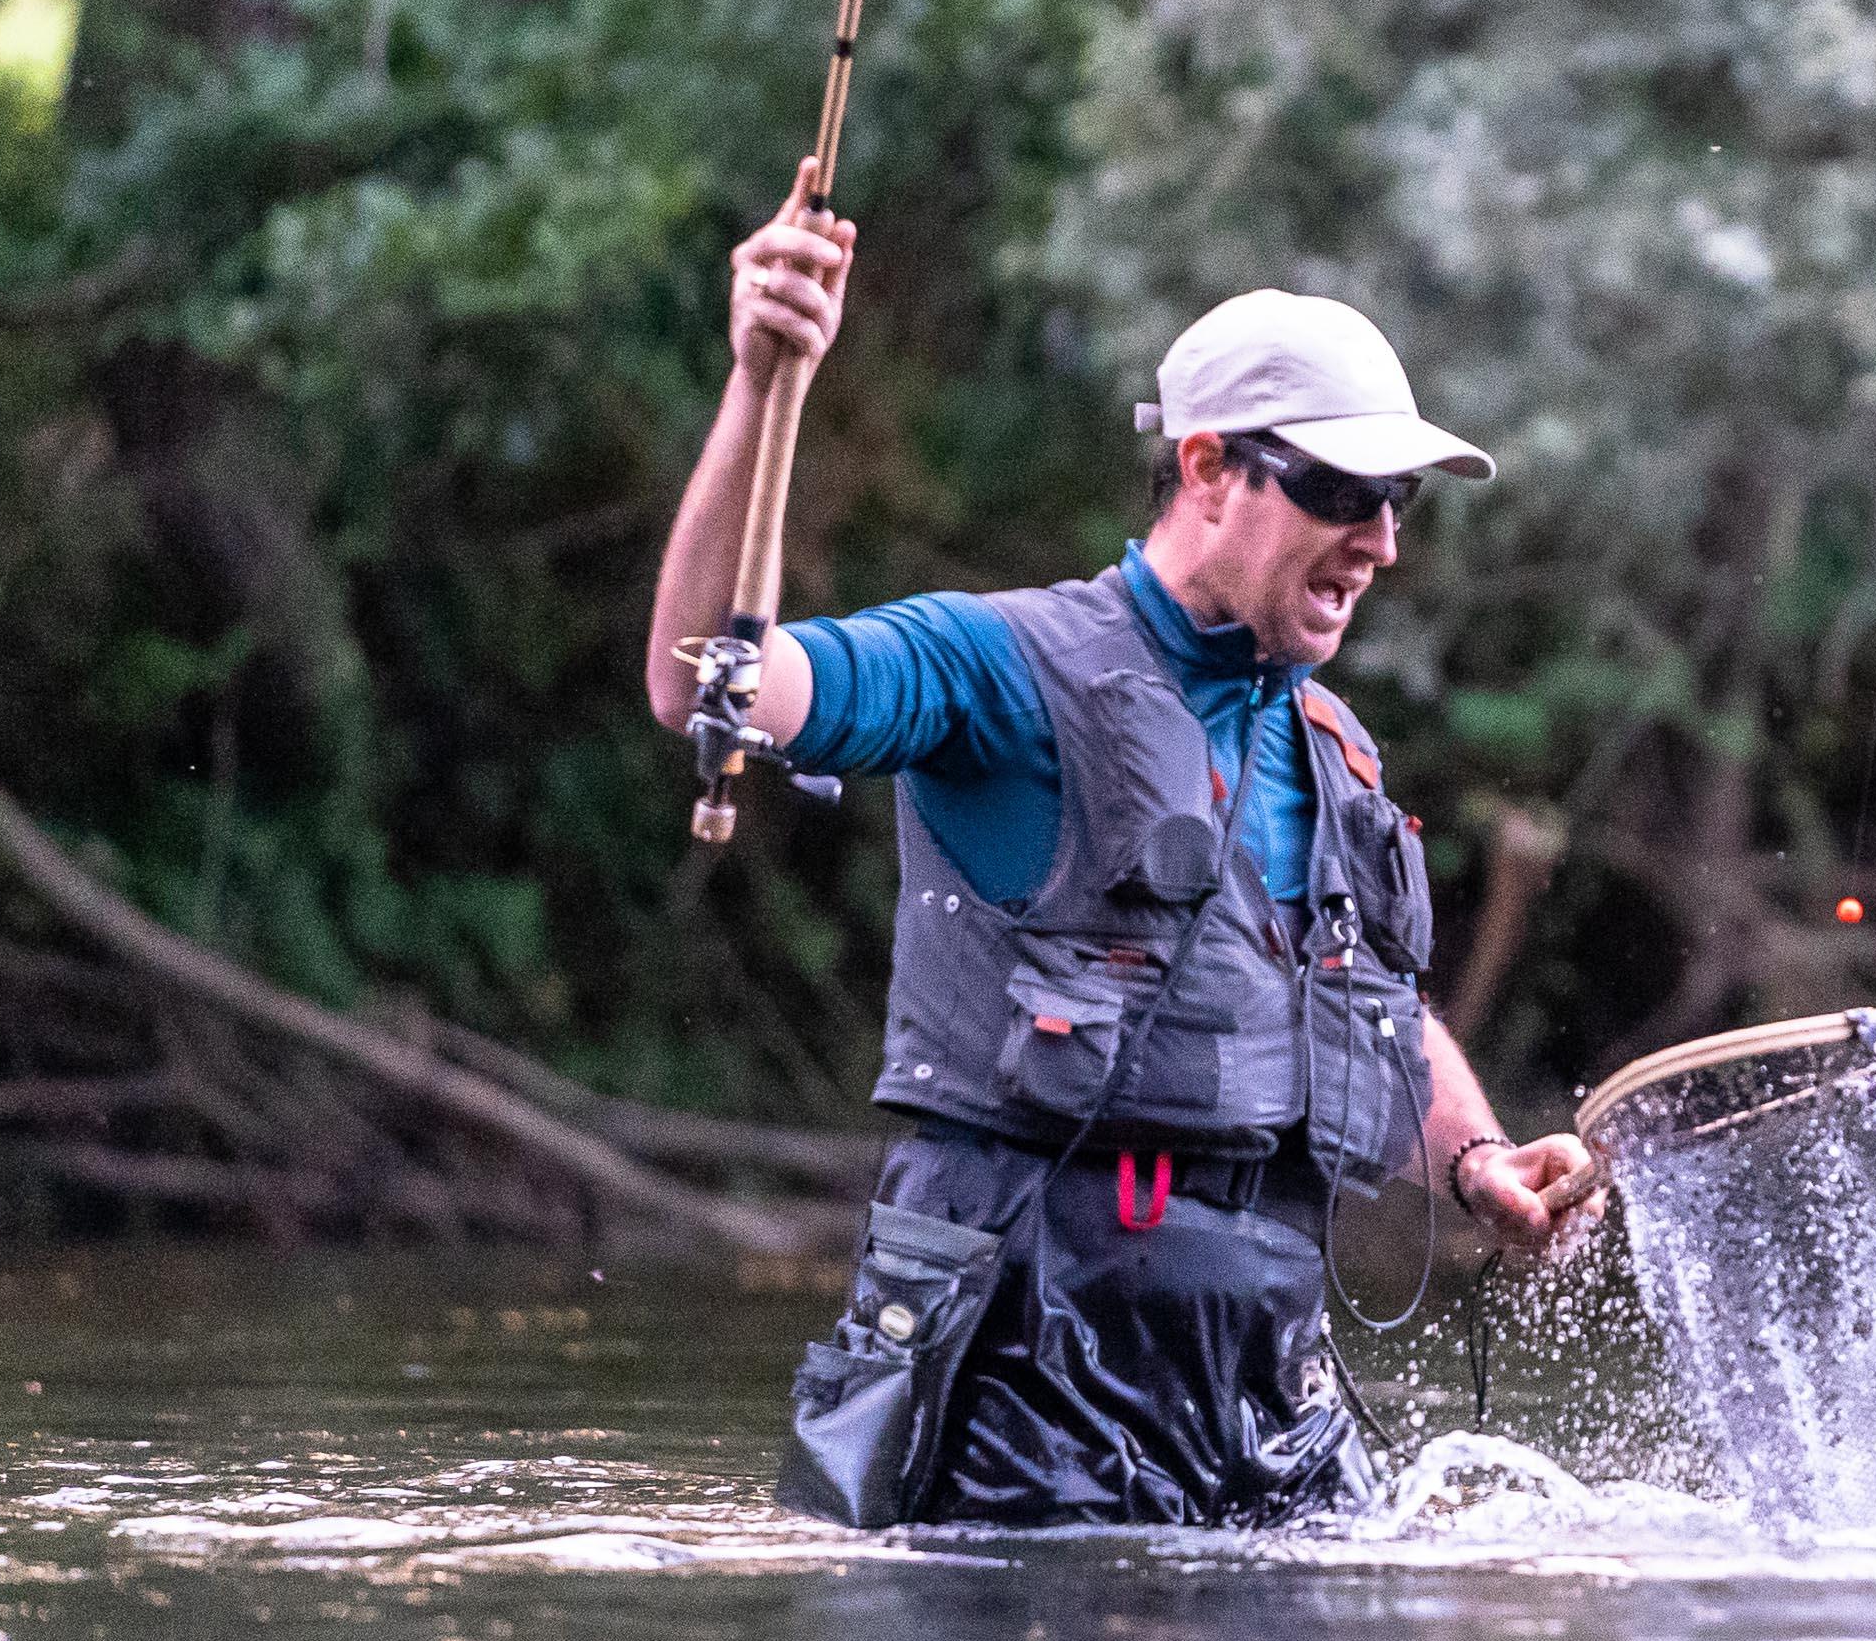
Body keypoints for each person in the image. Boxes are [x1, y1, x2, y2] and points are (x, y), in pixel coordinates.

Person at [644, 168, 1605, 1528]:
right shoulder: (992, 669)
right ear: (1209, 468)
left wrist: (1477, 1161)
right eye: (1343, 489)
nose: (1381, 543)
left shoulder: (1334, 750)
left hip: (1259, 1392)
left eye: (1401, 503)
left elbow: (1369, 1005)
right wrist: (760, 384)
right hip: (1014, 1386)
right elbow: (709, 684)